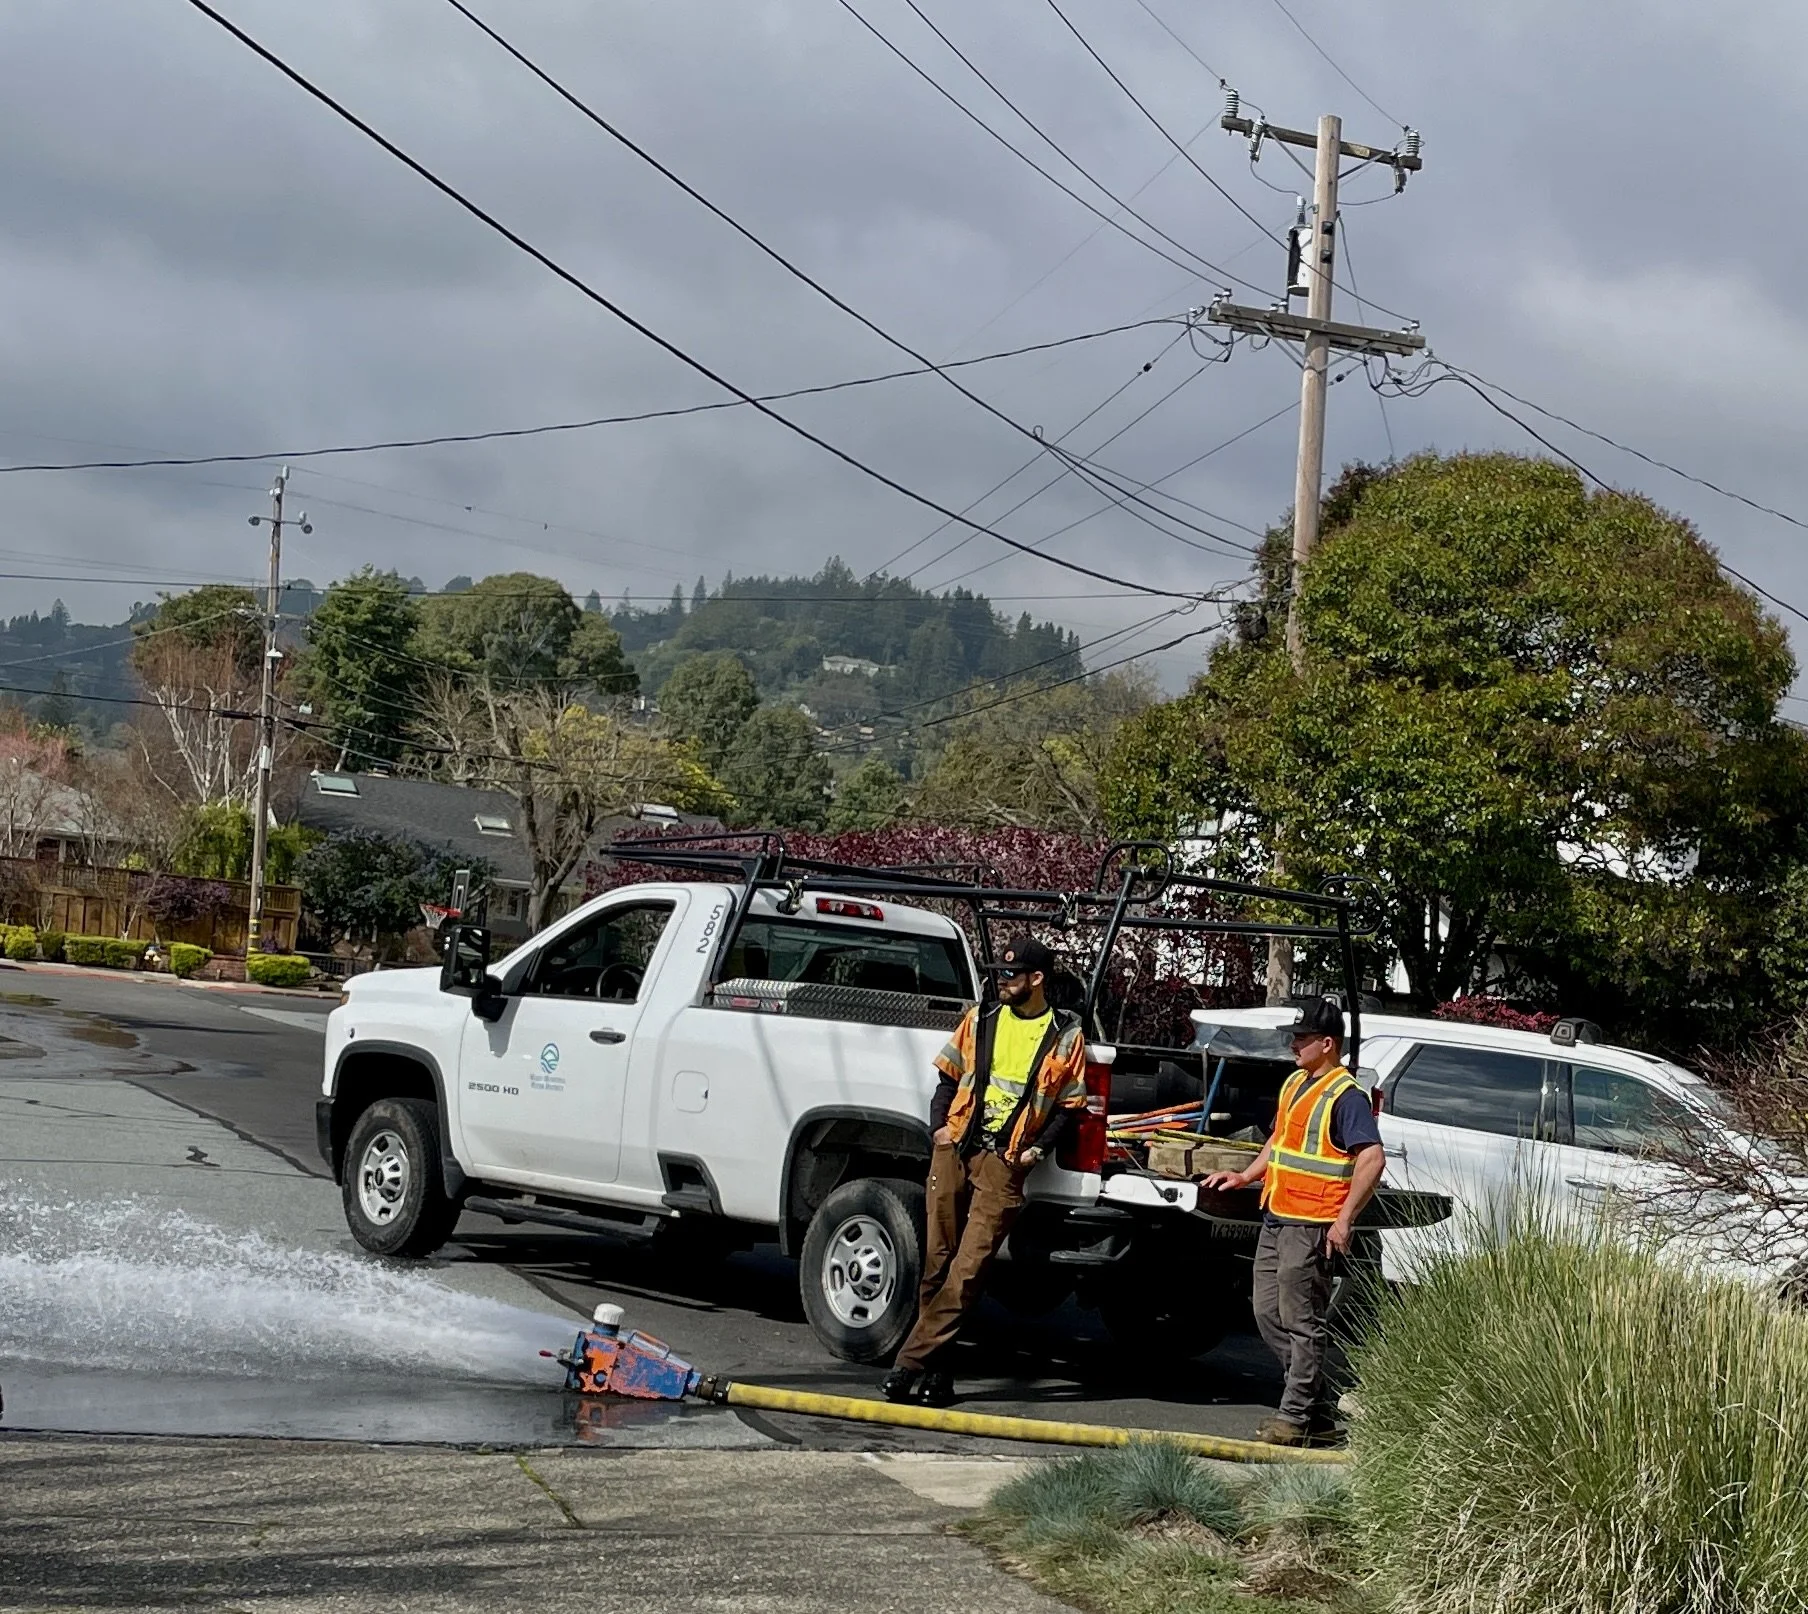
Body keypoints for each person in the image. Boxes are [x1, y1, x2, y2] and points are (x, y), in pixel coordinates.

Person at [881, 935, 1088, 1408]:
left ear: (1036, 980)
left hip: (1005, 1161)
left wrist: (1035, 1152)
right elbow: (947, 1078)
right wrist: (939, 1131)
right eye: (998, 972)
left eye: (1010, 975)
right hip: (955, 1148)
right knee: (936, 1266)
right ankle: (939, 1373)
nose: (1000, 981)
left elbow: (1068, 1108)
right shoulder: (981, 1018)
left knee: (968, 1272)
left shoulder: (1065, 1034)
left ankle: (908, 1363)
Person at [1203, 996, 1384, 1446]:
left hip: (1312, 1224)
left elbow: (1372, 1160)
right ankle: (1316, 1409)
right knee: (1267, 1313)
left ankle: (1293, 1416)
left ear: (1327, 1043)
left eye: (1301, 1040)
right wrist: (1246, 1174)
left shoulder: (1347, 1096)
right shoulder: (1295, 1084)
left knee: (1302, 1321)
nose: (1293, 1046)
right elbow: (1279, 1142)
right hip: (1278, 1216)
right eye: (1293, 1038)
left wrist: (1344, 1221)